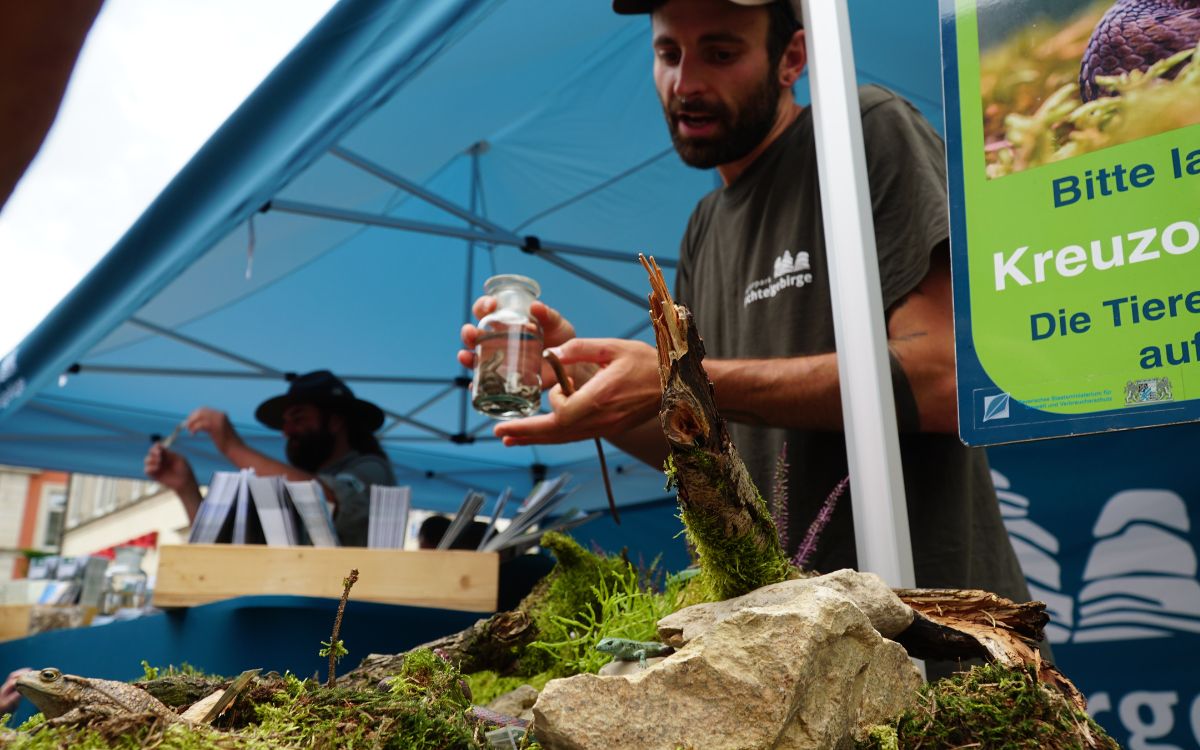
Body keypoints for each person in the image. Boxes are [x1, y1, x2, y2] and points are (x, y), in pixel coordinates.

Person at [458, 0, 1029, 612]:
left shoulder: (862, 129)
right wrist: (595, 382)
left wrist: (670, 383)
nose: (686, 82)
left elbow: (948, 378)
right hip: (783, 648)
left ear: (792, 59)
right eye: (668, 53)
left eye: (721, 53)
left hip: (934, 639)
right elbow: (708, 444)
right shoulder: (704, 226)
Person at [144, 370, 396, 547]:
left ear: (336, 422)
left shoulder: (372, 470)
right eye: (285, 424)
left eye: (298, 419)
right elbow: (222, 554)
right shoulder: (287, 485)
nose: (286, 432)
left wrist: (232, 447)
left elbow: (323, 501)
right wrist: (186, 488)